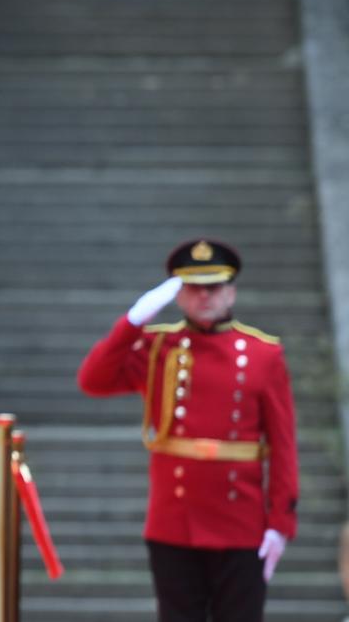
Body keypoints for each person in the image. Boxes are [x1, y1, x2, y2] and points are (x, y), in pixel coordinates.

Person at [77, 239, 298, 622]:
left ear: (231, 292)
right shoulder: (158, 348)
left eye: (214, 286)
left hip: (240, 522)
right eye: (193, 287)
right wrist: (133, 322)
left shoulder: (263, 355)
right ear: (178, 294)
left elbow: (283, 445)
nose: (204, 296)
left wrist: (280, 523)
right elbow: (93, 380)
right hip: (174, 522)